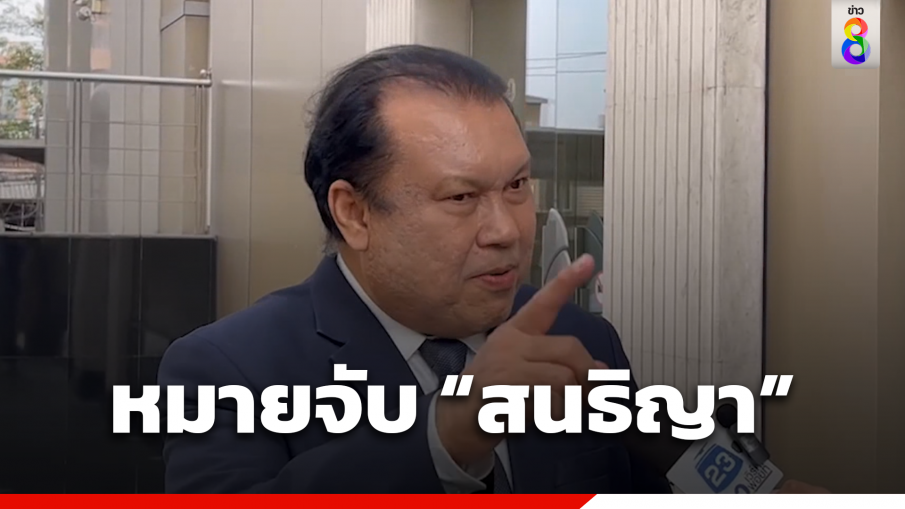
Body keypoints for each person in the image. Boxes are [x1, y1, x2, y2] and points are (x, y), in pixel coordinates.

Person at [158, 44, 824, 495]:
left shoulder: (576, 339)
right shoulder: (228, 369)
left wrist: (751, 485)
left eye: (517, 186)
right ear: (354, 212)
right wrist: (448, 435)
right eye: (461, 197)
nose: (506, 229)